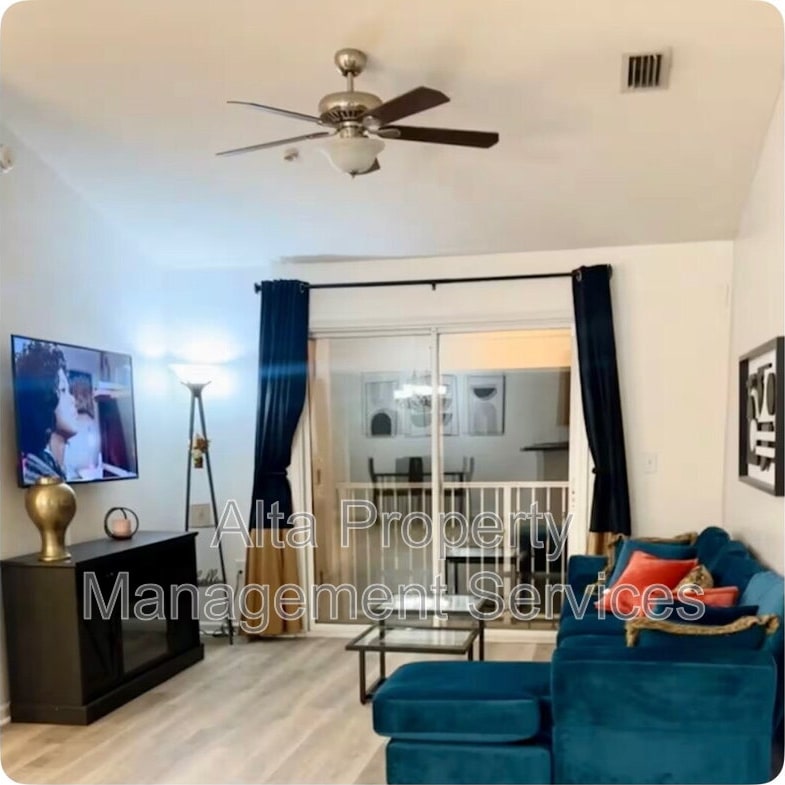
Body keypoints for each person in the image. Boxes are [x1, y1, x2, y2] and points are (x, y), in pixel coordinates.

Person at [15, 341, 80, 484]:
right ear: (44, 401)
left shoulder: (56, 470)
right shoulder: (34, 476)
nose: (73, 400)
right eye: (63, 390)